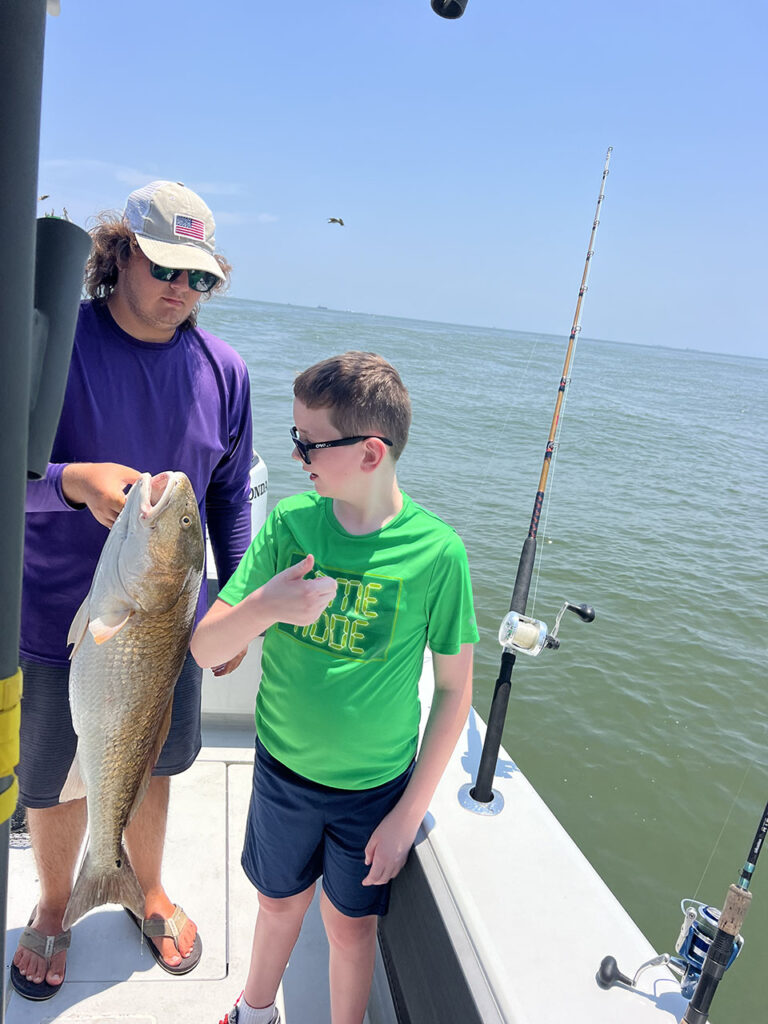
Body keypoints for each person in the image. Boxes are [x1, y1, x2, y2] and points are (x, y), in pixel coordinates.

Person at [12, 180, 254, 1000]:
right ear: (118, 255)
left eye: (201, 279)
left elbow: (225, 499)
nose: (181, 291)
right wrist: (72, 480)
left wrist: (232, 601)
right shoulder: (52, 343)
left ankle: (139, 889)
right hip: (56, 611)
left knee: (149, 765)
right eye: (164, 269)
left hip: (166, 624)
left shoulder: (225, 371)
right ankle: (54, 904)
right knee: (52, 778)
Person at [191, 352, 478, 1024]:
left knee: (351, 928)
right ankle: (255, 1011)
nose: (296, 456)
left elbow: (455, 692)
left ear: (371, 453)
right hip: (282, 774)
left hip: (373, 794)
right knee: (277, 904)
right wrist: (266, 606)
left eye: (308, 442)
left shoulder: (439, 555)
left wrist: (407, 815)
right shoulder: (292, 525)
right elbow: (206, 648)